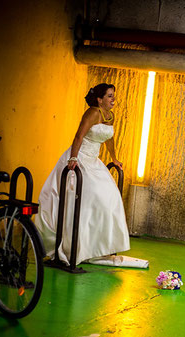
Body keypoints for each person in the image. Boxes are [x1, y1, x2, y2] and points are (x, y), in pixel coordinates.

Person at [35, 83, 130, 265]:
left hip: (94, 161)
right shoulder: (93, 112)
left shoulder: (110, 115)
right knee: (85, 198)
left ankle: (96, 245)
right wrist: (73, 158)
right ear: (99, 99)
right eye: (109, 96)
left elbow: (109, 138)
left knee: (111, 197)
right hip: (79, 159)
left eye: (113, 96)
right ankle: (73, 247)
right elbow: (79, 136)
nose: (113, 100)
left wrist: (114, 158)